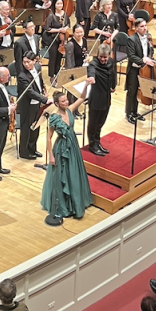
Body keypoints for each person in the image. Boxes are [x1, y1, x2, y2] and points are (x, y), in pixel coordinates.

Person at [42, 90, 92, 221]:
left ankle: (75, 204)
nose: (66, 102)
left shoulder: (70, 109)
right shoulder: (54, 118)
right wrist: (51, 156)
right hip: (61, 149)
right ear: (57, 104)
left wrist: (86, 85)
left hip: (73, 146)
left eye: (66, 100)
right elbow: (48, 138)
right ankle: (64, 207)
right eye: (63, 101)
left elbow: (82, 97)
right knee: (62, 176)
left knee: (74, 174)